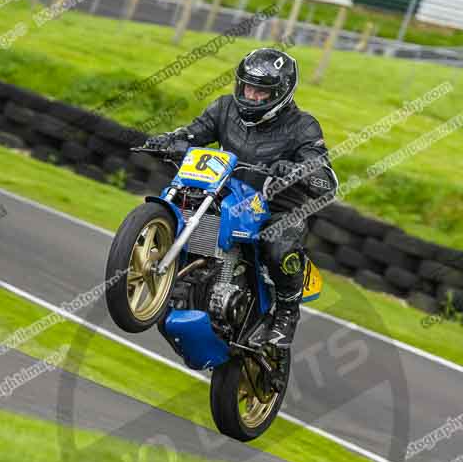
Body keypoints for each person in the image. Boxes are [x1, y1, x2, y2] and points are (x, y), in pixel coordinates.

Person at [144, 48, 338, 348]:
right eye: (248, 88)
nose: (252, 96)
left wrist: (296, 170)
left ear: (281, 93)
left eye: (261, 92)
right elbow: (193, 133)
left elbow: (326, 178)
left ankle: (286, 313)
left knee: (278, 244)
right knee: (184, 200)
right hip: (227, 194)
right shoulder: (224, 108)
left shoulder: (303, 127)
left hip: (275, 207)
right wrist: (170, 141)